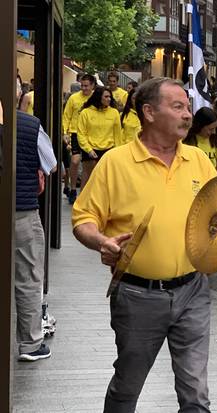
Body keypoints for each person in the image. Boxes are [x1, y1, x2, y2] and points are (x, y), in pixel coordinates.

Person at [72, 77, 217, 412]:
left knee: (196, 394)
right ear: (149, 112)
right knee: (128, 385)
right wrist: (102, 241)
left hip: (193, 289)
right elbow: (83, 219)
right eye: (177, 106)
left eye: (187, 107)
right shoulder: (115, 162)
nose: (187, 115)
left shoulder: (197, 159)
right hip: (138, 294)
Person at [14, 83, 58, 361]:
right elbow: (51, 164)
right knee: (28, 278)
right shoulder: (30, 125)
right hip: (22, 212)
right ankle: (30, 345)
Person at [77, 87, 121, 188]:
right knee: (88, 177)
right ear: (98, 97)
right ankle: (83, 201)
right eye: (106, 96)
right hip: (91, 149)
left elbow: (118, 134)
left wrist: (117, 151)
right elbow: (81, 133)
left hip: (108, 150)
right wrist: (88, 150)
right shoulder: (86, 112)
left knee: (106, 180)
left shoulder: (114, 112)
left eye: (110, 97)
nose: (109, 99)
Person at [62, 73, 95, 204]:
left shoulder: (95, 98)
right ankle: (72, 188)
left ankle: (85, 191)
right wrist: (65, 132)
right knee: (75, 161)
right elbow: (66, 116)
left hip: (90, 133)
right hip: (75, 132)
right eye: (82, 85)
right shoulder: (74, 98)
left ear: (92, 86)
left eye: (86, 86)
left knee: (89, 165)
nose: (84, 88)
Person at [183, 107, 217, 174]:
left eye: (215, 128)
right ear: (201, 126)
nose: (213, 132)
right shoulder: (187, 141)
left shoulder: (215, 139)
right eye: (210, 129)